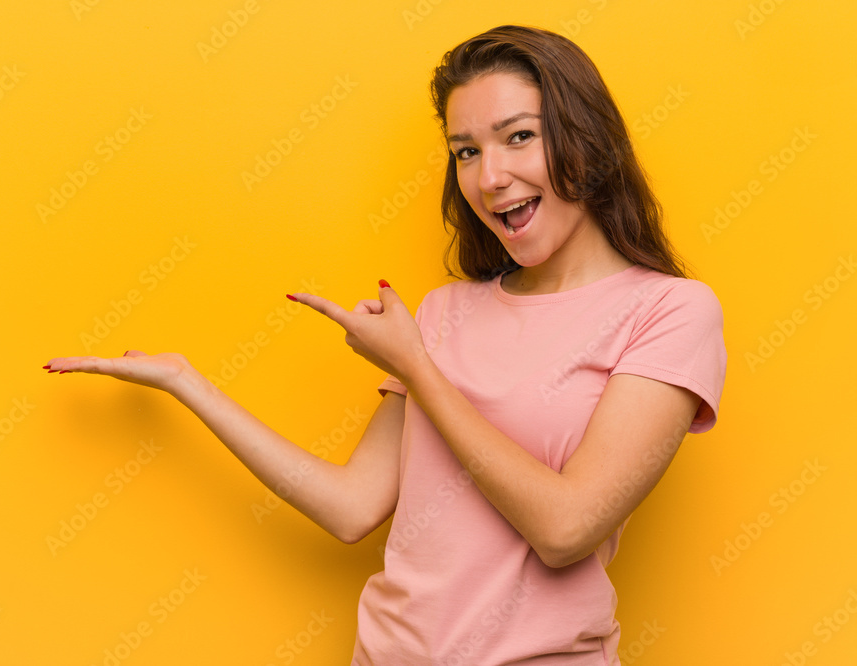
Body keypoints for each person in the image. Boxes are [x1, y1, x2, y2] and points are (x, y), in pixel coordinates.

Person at [44, 24, 726, 665]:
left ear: (586, 138)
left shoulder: (667, 311)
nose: (489, 177)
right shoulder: (444, 312)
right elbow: (351, 508)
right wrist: (188, 383)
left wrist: (416, 368)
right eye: (466, 151)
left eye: (518, 137)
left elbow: (566, 529)